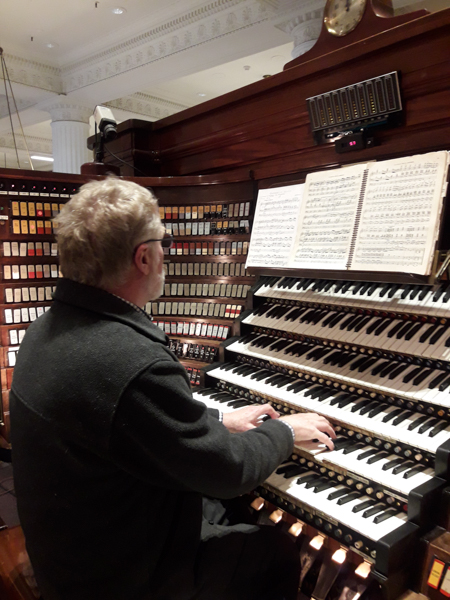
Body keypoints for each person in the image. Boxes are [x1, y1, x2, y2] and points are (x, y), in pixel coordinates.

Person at [10, 177, 335, 600]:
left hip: (72, 553)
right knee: (273, 550)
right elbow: (229, 471)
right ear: (143, 258)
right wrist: (285, 432)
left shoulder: (44, 331)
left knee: (225, 509)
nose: (166, 251)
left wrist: (220, 419)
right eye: (163, 240)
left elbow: (128, 419)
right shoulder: (131, 359)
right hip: (115, 581)